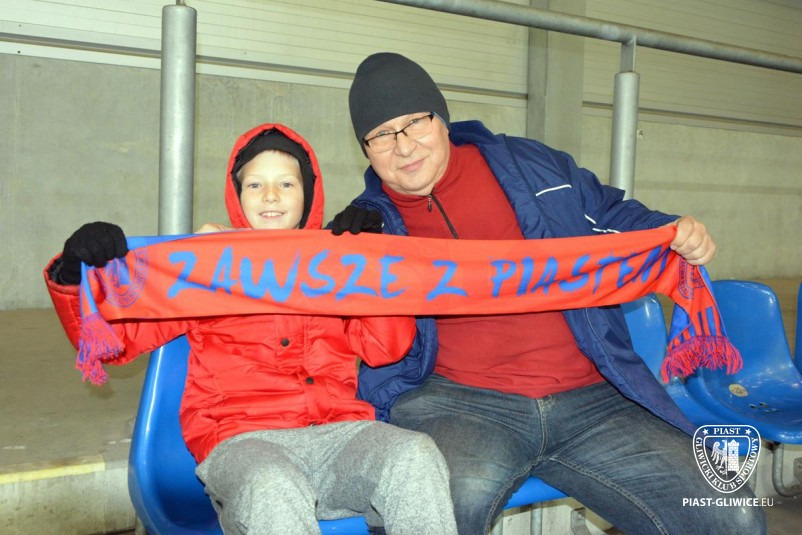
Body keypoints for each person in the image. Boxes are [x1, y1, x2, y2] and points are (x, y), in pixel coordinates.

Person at [330, 52, 766, 535]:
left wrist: (673, 229)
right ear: (365, 149)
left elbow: (612, 215)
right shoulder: (365, 226)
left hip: (594, 400)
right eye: (381, 134)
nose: (404, 145)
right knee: (431, 514)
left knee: (731, 515)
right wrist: (341, 254)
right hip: (457, 406)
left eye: (415, 122)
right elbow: (305, 300)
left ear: (442, 119)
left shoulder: (531, 166)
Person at [44, 123, 458, 535]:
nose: (271, 196)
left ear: (308, 195)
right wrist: (75, 277)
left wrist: (373, 268)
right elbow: (112, 342)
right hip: (245, 443)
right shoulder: (205, 268)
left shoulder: (333, 267)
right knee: (272, 485)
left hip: (339, 437)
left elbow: (386, 348)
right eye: (255, 185)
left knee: (414, 455)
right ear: (237, 195)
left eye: (286, 184)